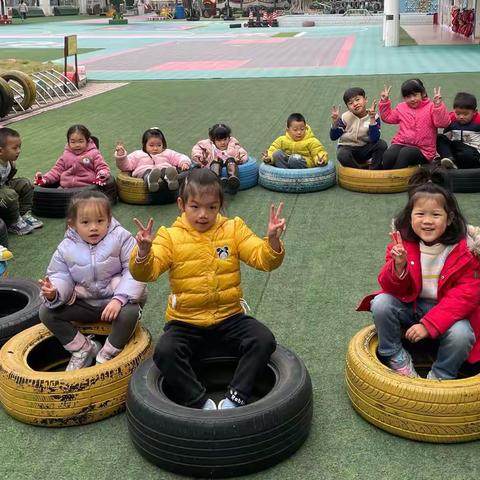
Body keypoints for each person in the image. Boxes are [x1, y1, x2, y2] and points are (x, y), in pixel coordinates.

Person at [129, 169, 285, 410]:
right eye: (195, 207)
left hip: (229, 317)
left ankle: (236, 396)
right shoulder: (169, 237)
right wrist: (143, 253)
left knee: (262, 339)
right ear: (182, 204)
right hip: (185, 322)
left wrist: (273, 240)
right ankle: (200, 402)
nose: (203, 215)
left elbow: (262, 259)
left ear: (220, 206)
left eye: (212, 207)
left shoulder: (233, 229)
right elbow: (146, 273)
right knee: (165, 352)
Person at [357, 168, 480, 380]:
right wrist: (398, 267)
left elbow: (466, 296)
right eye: (420, 214)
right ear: (410, 216)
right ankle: (395, 355)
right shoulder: (402, 243)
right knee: (381, 303)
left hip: (448, 311)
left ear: (449, 218)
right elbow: (390, 288)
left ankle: (442, 373)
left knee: (462, 335)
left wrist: (428, 324)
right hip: (411, 305)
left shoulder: (466, 250)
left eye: (436, 215)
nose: (427, 221)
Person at [38, 191, 146, 371]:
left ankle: (108, 352)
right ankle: (83, 349)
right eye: (85, 222)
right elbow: (60, 274)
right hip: (85, 304)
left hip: (114, 304)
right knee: (46, 312)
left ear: (109, 220)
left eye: (100, 221)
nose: (93, 227)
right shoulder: (66, 247)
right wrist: (54, 292)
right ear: (73, 224)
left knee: (131, 312)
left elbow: (134, 271)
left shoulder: (121, 238)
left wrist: (119, 299)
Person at [379, 79, 450, 170]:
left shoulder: (431, 107)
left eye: (415, 95)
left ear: (423, 94)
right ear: (404, 98)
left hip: (424, 150)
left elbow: (442, 123)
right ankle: (386, 176)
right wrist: (384, 101)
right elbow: (387, 117)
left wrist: (438, 106)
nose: (412, 99)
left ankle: (395, 178)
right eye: (408, 97)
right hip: (401, 143)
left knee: (406, 153)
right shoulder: (401, 107)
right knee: (388, 155)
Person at [115, 127, 190, 192]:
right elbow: (126, 166)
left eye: (159, 145)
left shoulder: (167, 153)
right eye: (151, 145)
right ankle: (151, 181)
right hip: (145, 172)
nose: (155, 148)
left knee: (165, 170)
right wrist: (121, 155)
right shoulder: (137, 154)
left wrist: (184, 163)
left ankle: (171, 180)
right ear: (144, 145)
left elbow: (179, 156)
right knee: (148, 172)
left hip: (163, 171)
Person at [34, 124, 110, 188]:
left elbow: (102, 167)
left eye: (81, 141)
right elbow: (55, 171)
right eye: (73, 142)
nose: (77, 145)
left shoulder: (93, 154)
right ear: (68, 142)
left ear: (87, 141)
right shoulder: (65, 156)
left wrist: (101, 175)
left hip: (87, 189)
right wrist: (44, 179)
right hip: (66, 188)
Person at [330, 87, 387, 170]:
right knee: (342, 155)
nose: (355, 104)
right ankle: (359, 171)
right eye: (350, 103)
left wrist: (372, 119)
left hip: (364, 149)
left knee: (381, 144)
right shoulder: (345, 117)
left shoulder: (374, 117)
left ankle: (375, 169)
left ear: (365, 100)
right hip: (347, 148)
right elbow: (333, 137)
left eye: (357, 100)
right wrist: (335, 122)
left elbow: (374, 139)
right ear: (348, 108)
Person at [0, 127, 42, 235]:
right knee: (10, 194)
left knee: (25, 183)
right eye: (15, 148)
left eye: (19, 147)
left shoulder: (9, 162)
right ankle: (13, 222)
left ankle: (23, 215)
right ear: (1, 151)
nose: (19, 151)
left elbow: (7, 179)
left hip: (3, 186)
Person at [191, 124, 247, 193]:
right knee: (216, 161)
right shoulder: (207, 145)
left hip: (229, 162)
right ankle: (217, 180)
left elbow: (242, 152)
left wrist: (240, 159)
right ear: (213, 140)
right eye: (219, 140)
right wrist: (199, 156)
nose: (223, 142)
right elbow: (196, 149)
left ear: (229, 138)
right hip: (214, 162)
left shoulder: (233, 144)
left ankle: (233, 178)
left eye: (225, 139)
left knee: (230, 160)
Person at [262, 113, 328, 169]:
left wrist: (320, 160)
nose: (299, 132)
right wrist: (269, 158)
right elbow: (272, 150)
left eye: (302, 129)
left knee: (294, 159)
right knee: (277, 154)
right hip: (286, 165)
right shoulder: (282, 140)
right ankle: (285, 174)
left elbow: (319, 152)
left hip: (303, 164)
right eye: (295, 130)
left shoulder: (312, 141)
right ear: (288, 130)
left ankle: (296, 177)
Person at [436, 92, 480, 169]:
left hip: (472, 154)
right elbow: (445, 138)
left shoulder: (478, 121)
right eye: (458, 113)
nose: (461, 117)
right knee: (439, 137)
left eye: (465, 114)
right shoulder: (451, 119)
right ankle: (450, 160)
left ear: (474, 112)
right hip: (456, 153)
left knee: (461, 148)